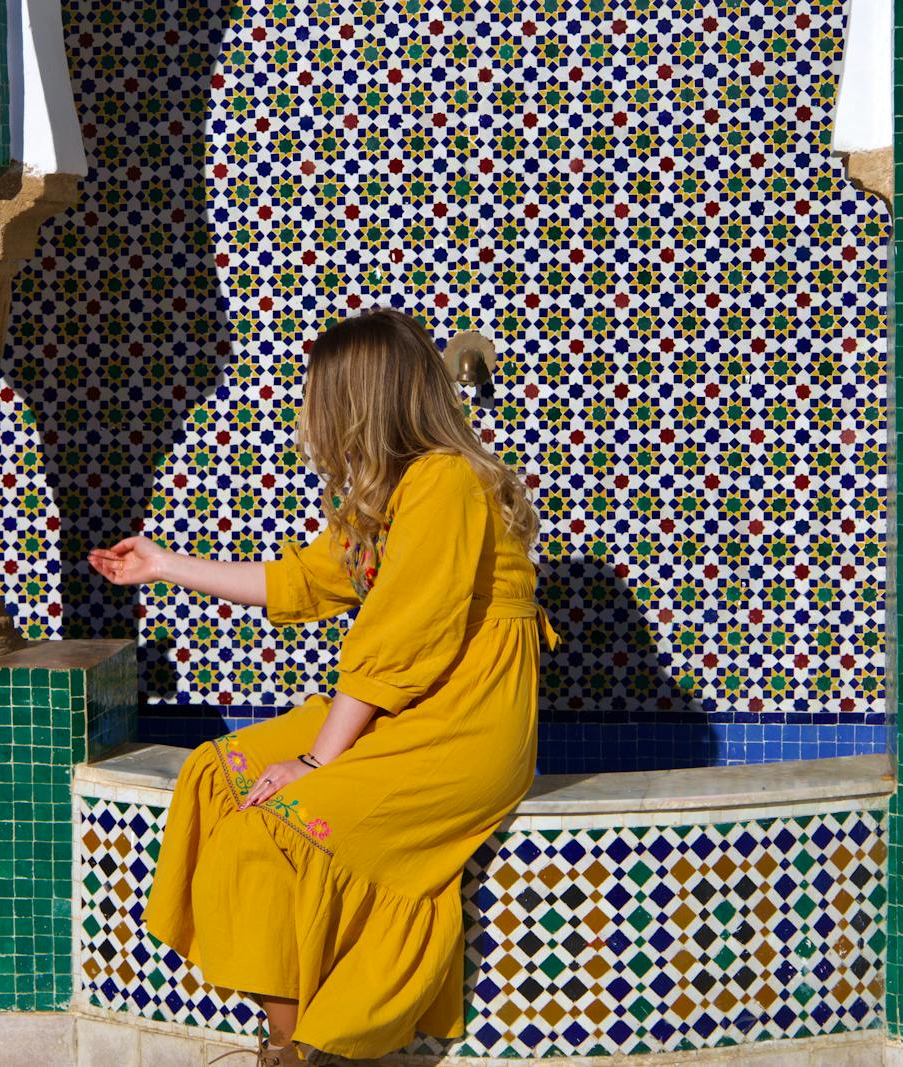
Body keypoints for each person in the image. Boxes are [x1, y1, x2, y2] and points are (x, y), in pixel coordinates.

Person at [87, 308, 556, 1066]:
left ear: (361, 398)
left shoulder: (445, 483)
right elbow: (303, 580)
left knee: (277, 823)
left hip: (465, 727)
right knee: (219, 775)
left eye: (321, 395)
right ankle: (295, 1040)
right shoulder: (394, 491)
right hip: (416, 708)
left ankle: (301, 1049)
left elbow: (397, 640)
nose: (311, 413)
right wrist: (163, 564)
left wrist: (315, 762)